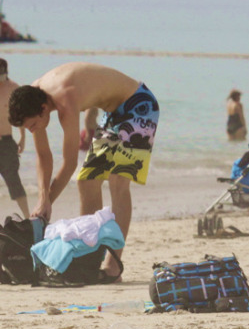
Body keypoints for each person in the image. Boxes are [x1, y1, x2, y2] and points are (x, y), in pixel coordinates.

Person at [7, 62, 160, 278]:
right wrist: (43, 198)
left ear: (42, 111)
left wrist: (47, 202)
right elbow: (43, 155)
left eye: (32, 126)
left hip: (138, 104)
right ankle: (89, 257)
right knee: (86, 181)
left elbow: (69, 163)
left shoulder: (64, 100)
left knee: (118, 181)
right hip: (113, 113)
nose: (32, 131)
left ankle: (113, 264)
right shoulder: (32, 97)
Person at [0, 59, 29, 217]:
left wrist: (23, 137)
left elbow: (20, 115)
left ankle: (27, 218)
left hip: (6, 142)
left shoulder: (13, 89)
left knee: (14, 180)